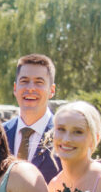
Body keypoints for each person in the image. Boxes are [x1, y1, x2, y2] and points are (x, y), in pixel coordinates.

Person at [4, 53, 61, 183]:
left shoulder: (63, 136)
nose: (30, 88)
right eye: (24, 81)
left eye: (39, 82)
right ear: (15, 88)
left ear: (51, 90)